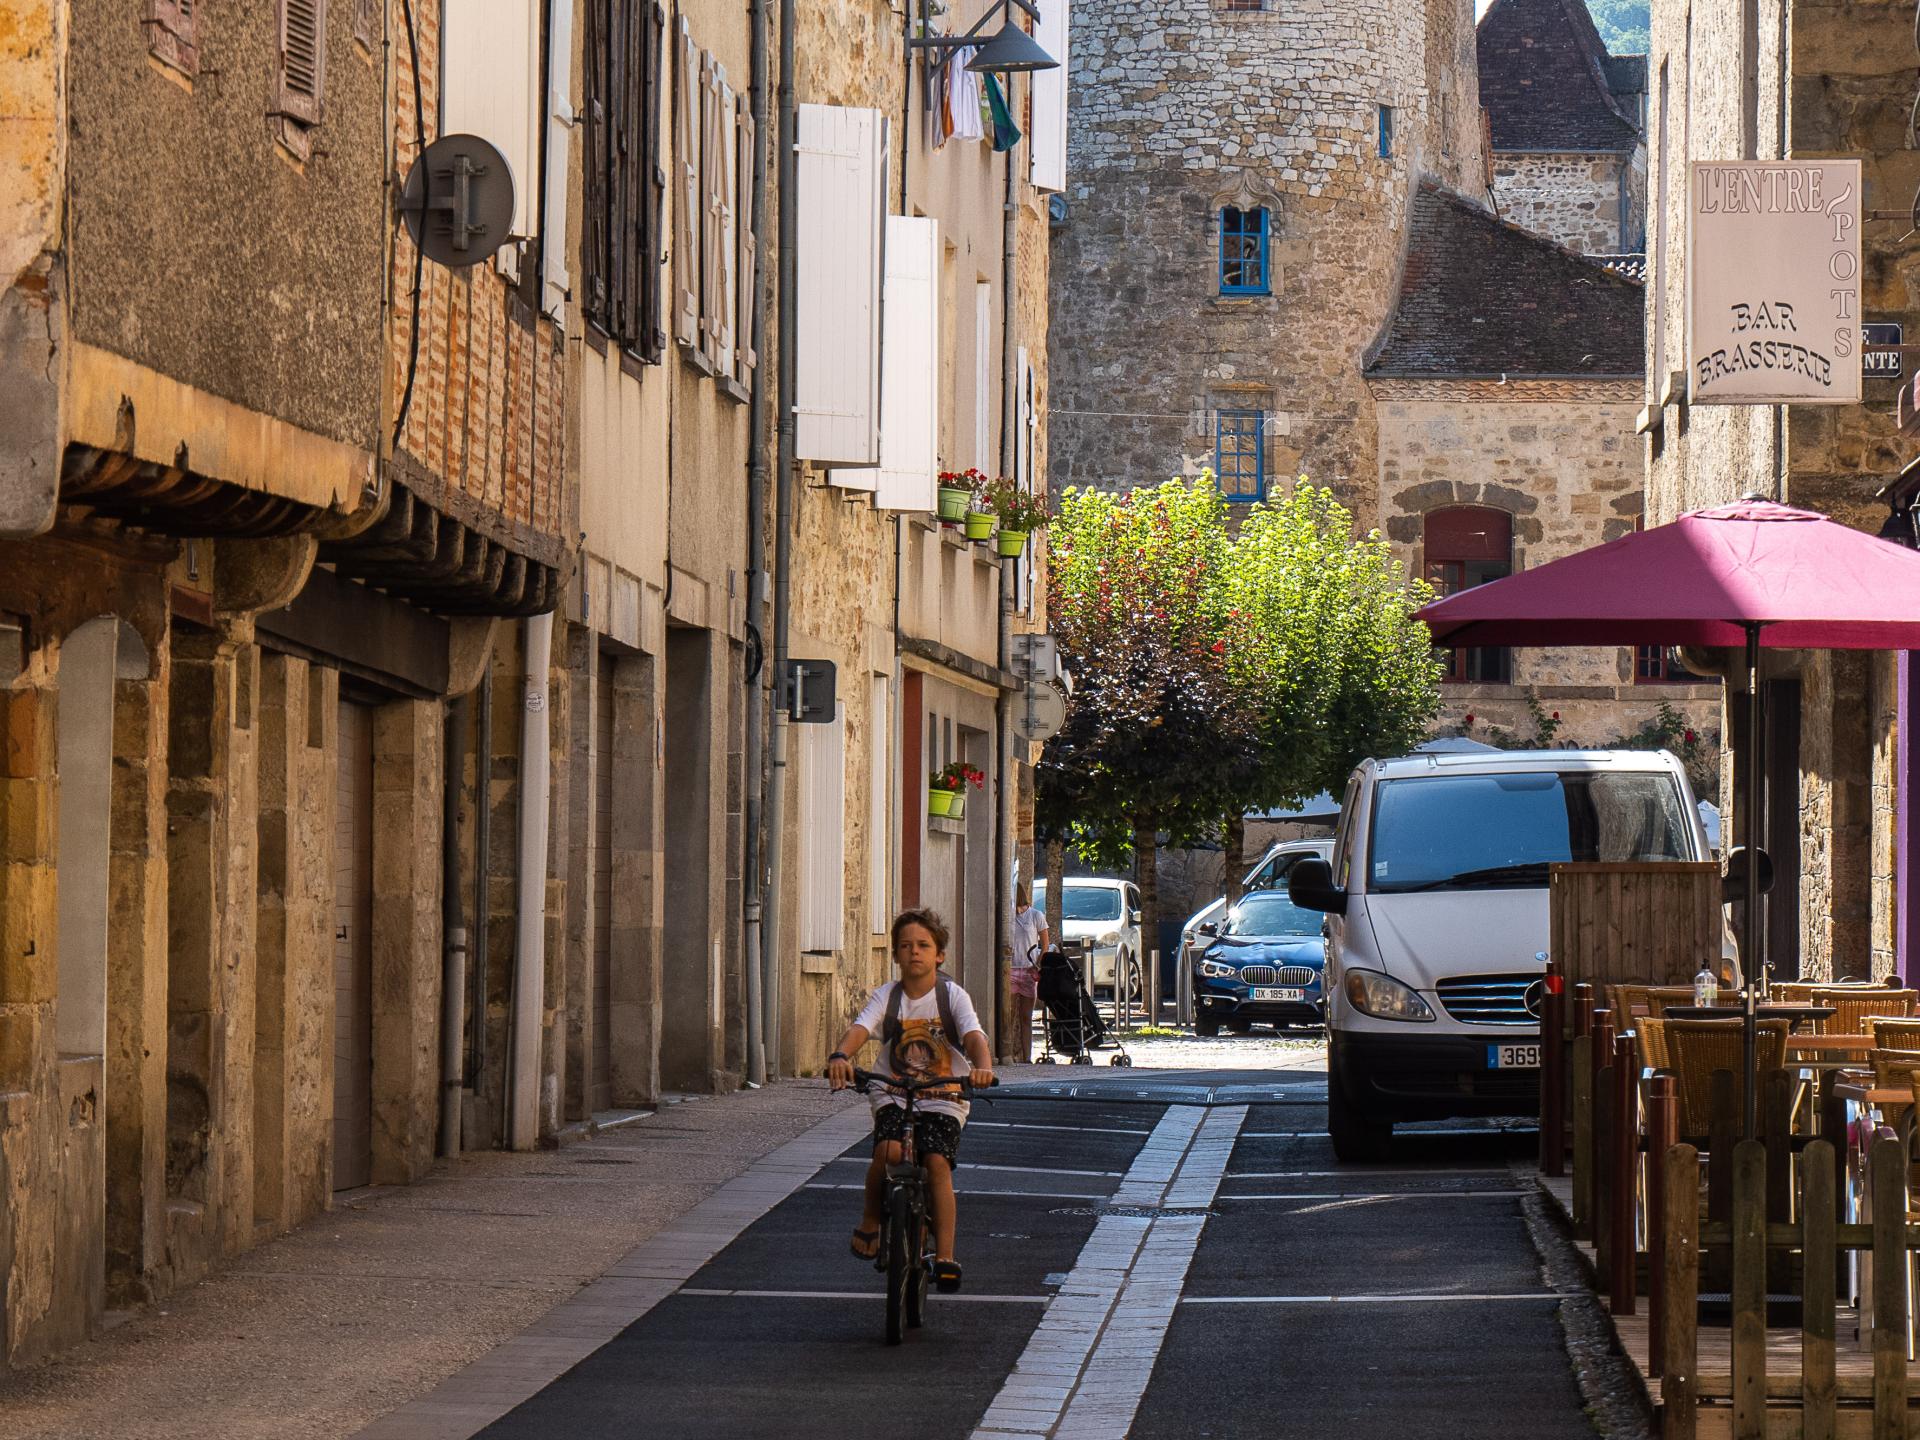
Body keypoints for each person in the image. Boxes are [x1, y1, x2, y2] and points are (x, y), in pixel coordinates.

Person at [826, 908, 993, 1294]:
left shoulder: (951, 996)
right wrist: (840, 1057)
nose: (914, 952)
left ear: (939, 955)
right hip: (892, 1091)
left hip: (944, 1095)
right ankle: (871, 1219)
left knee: (936, 1162)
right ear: (896, 955)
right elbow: (860, 1028)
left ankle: (947, 1256)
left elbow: (972, 1037)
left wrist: (981, 1068)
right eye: (905, 946)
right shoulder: (887, 995)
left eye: (923, 945)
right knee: (886, 1152)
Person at [1008, 882, 1050, 1063]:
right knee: (1008, 1017)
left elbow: (1045, 944)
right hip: (1010, 970)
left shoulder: (1035, 915)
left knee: (1025, 1017)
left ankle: (1027, 1057)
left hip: (1027, 970)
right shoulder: (1007, 915)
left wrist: (1038, 964)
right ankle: (1007, 1055)